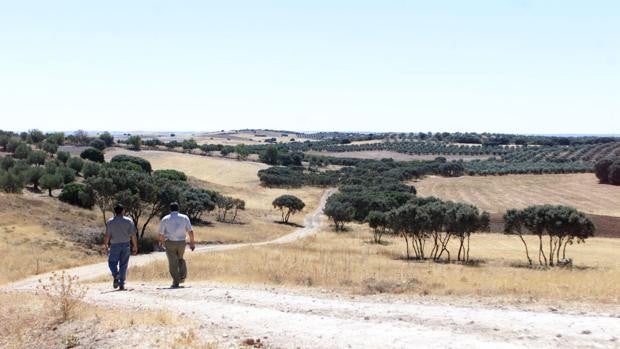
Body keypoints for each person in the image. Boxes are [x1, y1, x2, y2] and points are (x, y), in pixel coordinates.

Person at [159, 202, 195, 288]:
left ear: (170, 209)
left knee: (172, 263)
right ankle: (182, 275)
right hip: (182, 242)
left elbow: (161, 233)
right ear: (178, 208)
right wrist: (192, 242)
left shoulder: (165, 219)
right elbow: (190, 231)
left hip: (170, 242)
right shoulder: (184, 217)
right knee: (180, 259)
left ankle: (176, 281)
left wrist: (161, 242)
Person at [102, 203, 138, 290]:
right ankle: (121, 284)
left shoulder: (110, 222)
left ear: (115, 212)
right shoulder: (129, 221)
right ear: (123, 211)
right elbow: (133, 235)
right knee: (123, 264)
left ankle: (116, 275)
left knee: (111, 262)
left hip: (114, 245)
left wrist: (105, 245)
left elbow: (107, 235)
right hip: (126, 244)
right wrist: (135, 246)